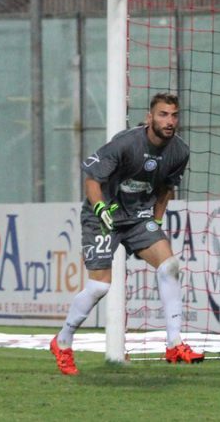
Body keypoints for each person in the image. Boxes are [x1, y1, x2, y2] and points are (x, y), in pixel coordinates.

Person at [50, 92, 203, 375]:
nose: (169, 121)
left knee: (169, 266)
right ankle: (63, 341)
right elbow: (93, 180)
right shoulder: (126, 143)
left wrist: (156, 220)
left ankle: (174, 344)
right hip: (103, 217)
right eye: (163, 114)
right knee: (99, 287)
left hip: (138, 218)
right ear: (149, 117)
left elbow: (167, 188)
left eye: (174, 115)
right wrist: (100, 209)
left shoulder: (179, 151)